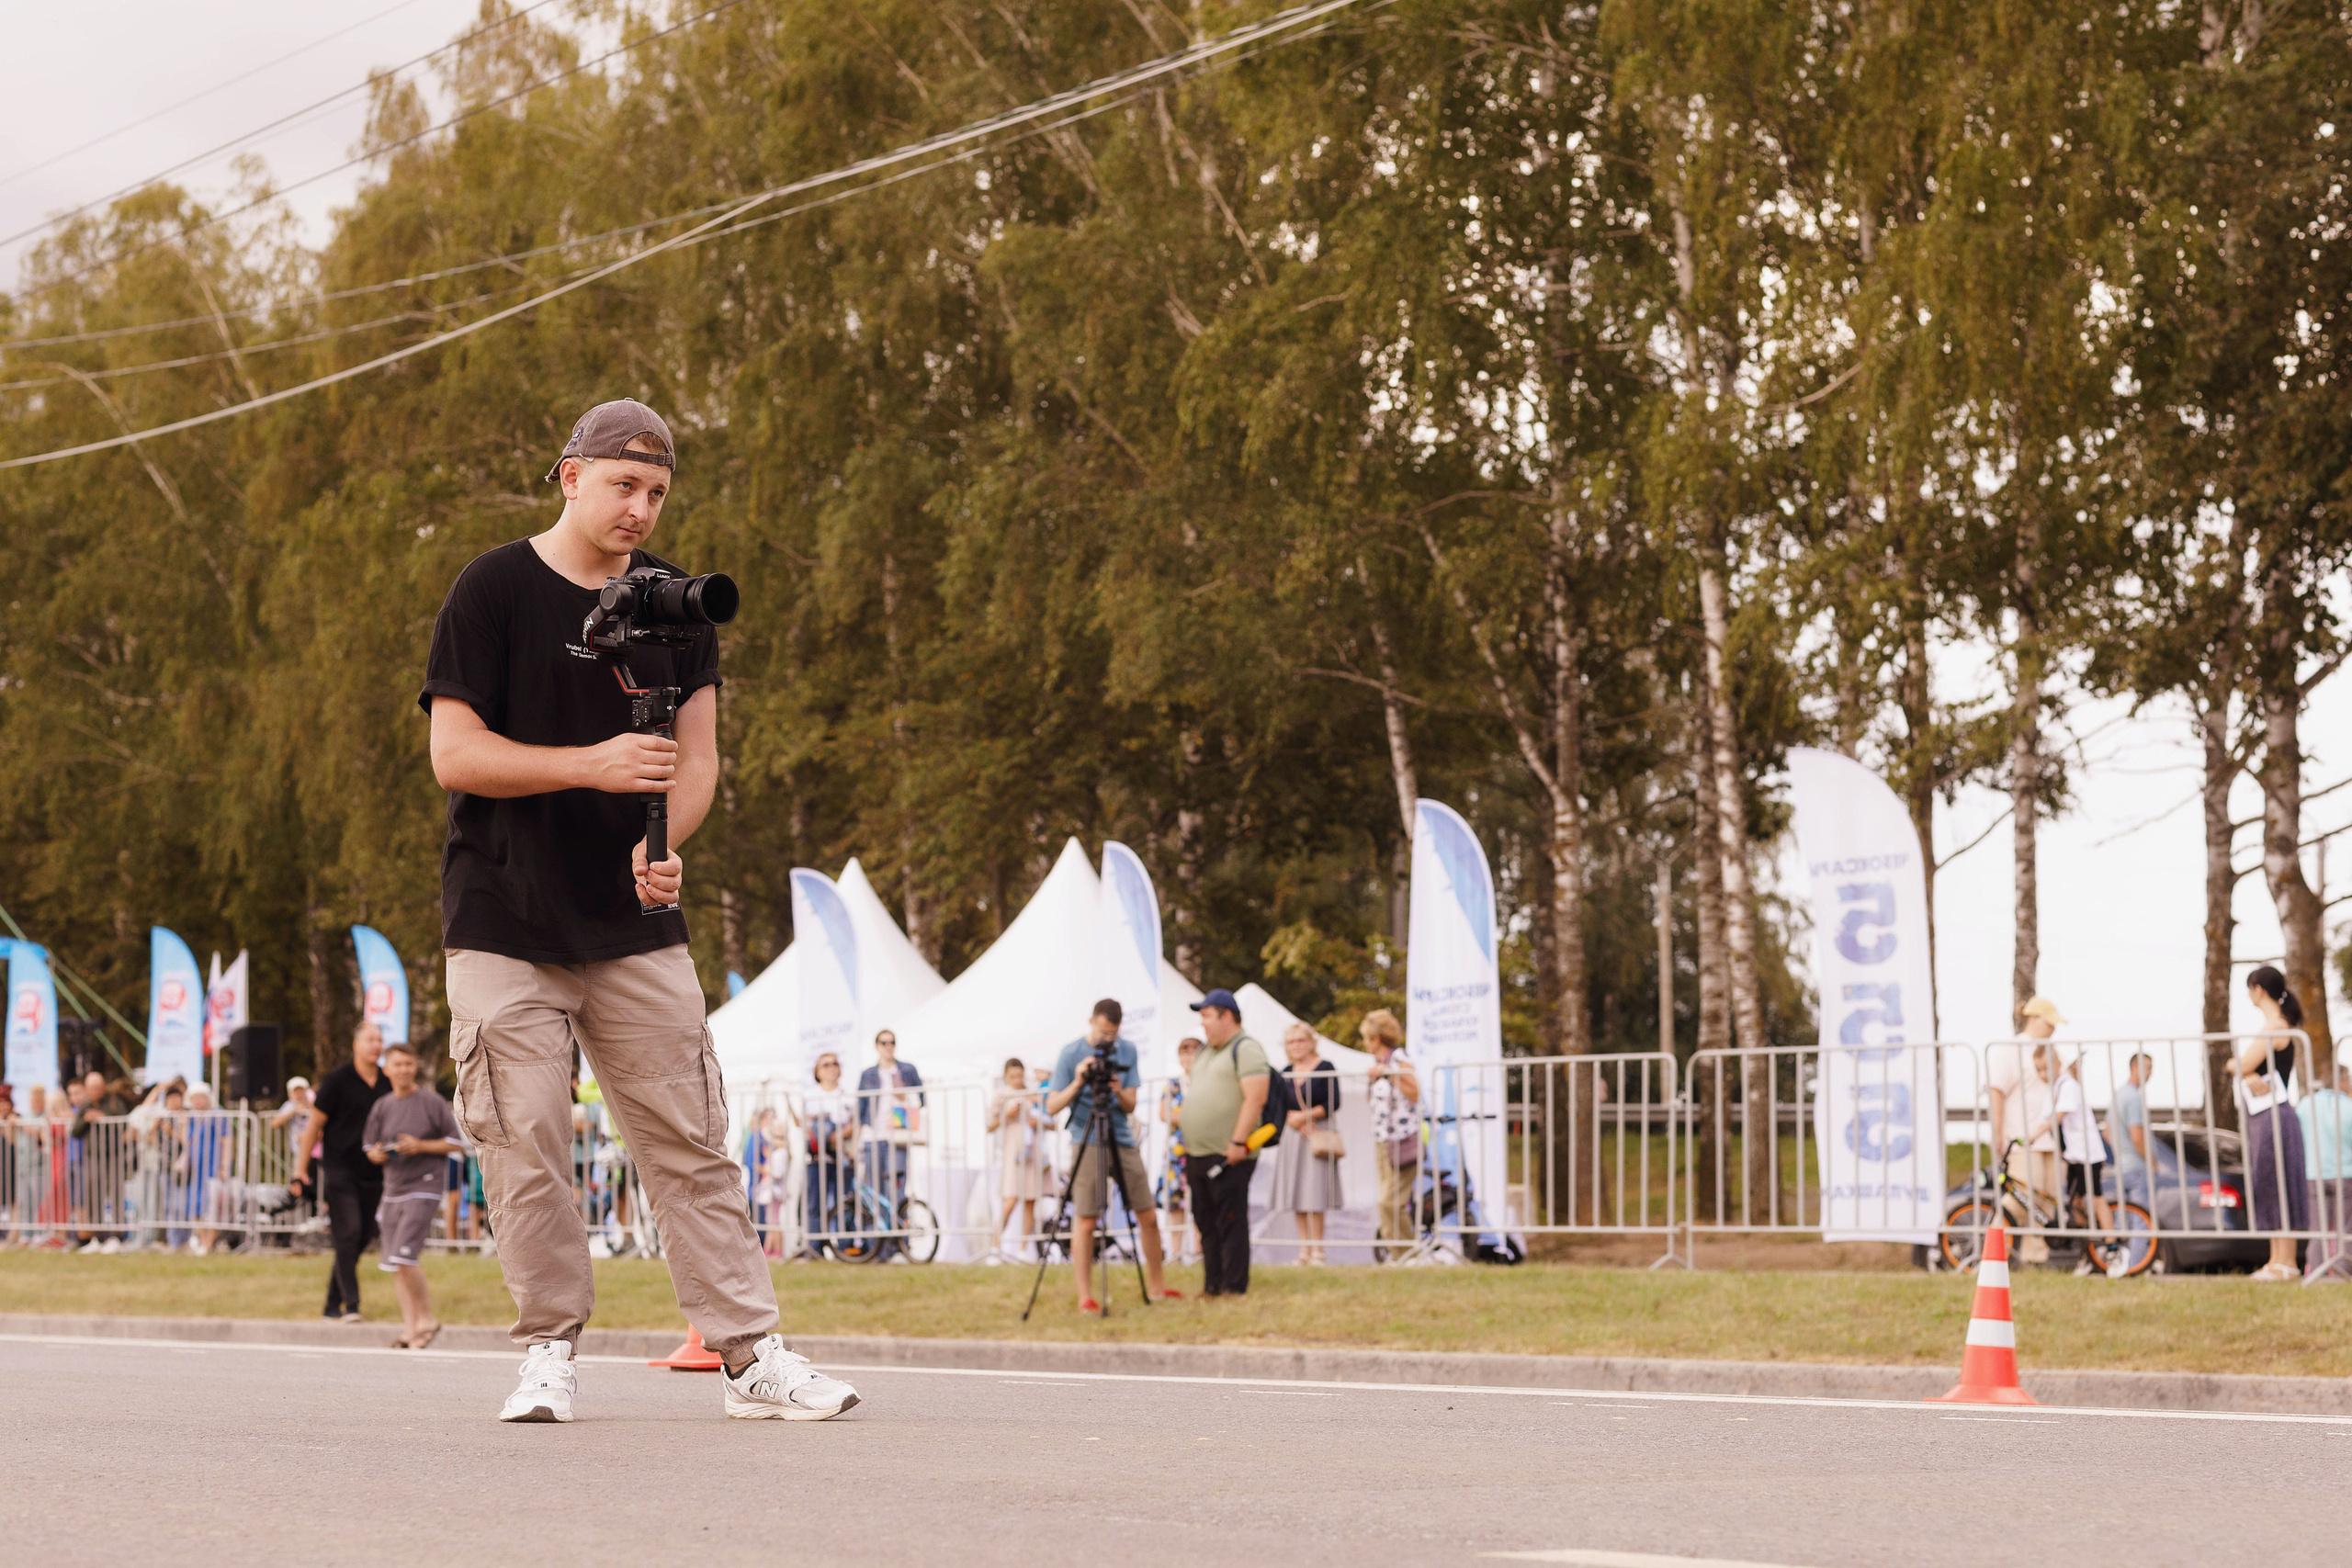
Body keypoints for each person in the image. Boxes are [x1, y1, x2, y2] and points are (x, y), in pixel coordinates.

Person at [422, 399, 854, 1422]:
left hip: (633, 922)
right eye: (624, 484)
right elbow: (455, 755)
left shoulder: (676, 605)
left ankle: (748, 1356)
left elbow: (697, 763)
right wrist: (593, 765)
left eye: (657, 492)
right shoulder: (492, 587)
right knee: (526, 1138)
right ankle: (548, 1351)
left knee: (689, 1139)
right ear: (569, 475)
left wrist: (664, 846)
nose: (641, 508)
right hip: (503, 916)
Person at [1046, 999, 1174, 1313]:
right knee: (1087, 1219)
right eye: (1103, 1032)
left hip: (1121, 1136)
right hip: (1086, 1137)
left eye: (1112, 1034)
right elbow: (1051, 1106)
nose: (1107, 1039)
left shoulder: (1127, 1050)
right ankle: (1085, 1297)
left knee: (1148, 1214)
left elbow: (1130, 1104)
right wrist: (1079, 1080)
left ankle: (1157, 1287)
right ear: (1091, 1022)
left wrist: (1117, 1089)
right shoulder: (1070, 1053)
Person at [362, 1042, 465, 1348]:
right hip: (393, 1189)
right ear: (386, 1069)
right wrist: (378, 1154)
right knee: (395, 1263)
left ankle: (427, 1318)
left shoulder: (431, 1102)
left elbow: (456, 1142)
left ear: (415, 1066)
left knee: (405, 1255)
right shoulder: (382, 1105)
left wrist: (419, 1146)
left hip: (425, 1186)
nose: (404, 1070)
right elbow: (369, 1147)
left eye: (408, 1064)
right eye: (398, 1064)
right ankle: (412, 1330)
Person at [292, 1023, 390, 1320]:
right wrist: (300, 1169)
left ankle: (331, 1305)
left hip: (374, 1170)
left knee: (363, 1236)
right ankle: (352, 1304)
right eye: (369, 1040)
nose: (375, 1045)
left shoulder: (387, 1081)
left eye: (379, 1040)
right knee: (348, 1232)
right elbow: (314, 1125)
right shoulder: (337, 1080)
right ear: (356, 1044)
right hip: (339, 1167)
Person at [1177, 988, 1270, 1298]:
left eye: (1207, 1016)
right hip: (1197, 1152)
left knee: (1229, 1219)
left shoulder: (1246, 1049)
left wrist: (1238, 1142)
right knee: (1205, 1220)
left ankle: (1233, 1285)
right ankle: (1212, 1284)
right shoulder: (1205, 1052)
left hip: (1230, 1153)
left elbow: (1256, 1099)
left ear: (1226, 1016)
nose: (1202, 1023)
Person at [2238, 964, 2310, 1282]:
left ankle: (2286, 1262)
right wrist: (2247, 1073)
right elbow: (2244, 1066)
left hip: (2274, 1116)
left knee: (2278, 1183)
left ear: (2259, 989)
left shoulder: (2275, 1026)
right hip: (2265, 1115)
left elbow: (2241, 1063)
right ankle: (2276, 1260)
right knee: (2269, 1183)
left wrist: (2244, 1070)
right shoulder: (2276, 1025)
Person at [1985, 998, 2064, 1264]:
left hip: (2049, 1140)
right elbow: (1996, 1090)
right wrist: (1997, 1132)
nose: (2053, 1028)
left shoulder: (2051, 1050)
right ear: (2033, 1019)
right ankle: (1992, 1251)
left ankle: (2035, 1258)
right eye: (2049, 1022)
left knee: (2046, 1203)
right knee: (2021, 1200)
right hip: (2021, 1139)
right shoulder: (2012, 1049)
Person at [2032, 1052, 2114, 1276]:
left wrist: (2033, 1136)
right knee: (2076, 1203)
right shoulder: (2055, 1089)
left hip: (2088, 1155)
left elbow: (2057, 1117)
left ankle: (2112, 1248)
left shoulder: (2068, 1086)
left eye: (2046, 1068)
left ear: (2057, 1064)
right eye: (2039, 1070)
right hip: (2074, 1156)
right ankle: (2086, 1254)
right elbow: (2046, 1118)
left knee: (2096, 1199)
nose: (2043, 1074)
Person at [1270, 1022, 1341, 1264]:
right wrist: (1295, 1121)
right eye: (1291, 1042)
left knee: (1316, 1191)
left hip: (1318, 1133)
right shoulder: (1286, 1071)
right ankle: (1304, 1249)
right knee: (1297, 1192)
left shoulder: (1325, 1067)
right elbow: (1280, 1105)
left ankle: (1318, 1248)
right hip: (1294, 1135)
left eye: (1301, 1040)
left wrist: (1307, 1116)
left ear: (1311, 1042)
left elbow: (1334, 1101)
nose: (1296, 1046)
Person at [856, 1030, 923, 1247]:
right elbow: (861, 1109)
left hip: (898, 1136)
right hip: (873, 1137)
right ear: (877, 1046)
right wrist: (856, 1142)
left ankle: (899, 1243)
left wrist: (907, 1095)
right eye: (884, 1042)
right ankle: (876, 1245)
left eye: (892, 1042)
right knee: (874, 1192)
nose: (888, 1046)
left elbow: (922, 1098)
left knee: (896, 1189)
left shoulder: (907, 1070)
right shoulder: (868, 1074)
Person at [1362, 1009, 1419, 1259]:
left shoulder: (1398, 1058)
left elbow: (1415, 1092)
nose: (1365, 1043)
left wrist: (1389, 1073)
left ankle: (1408, 1254)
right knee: (1385, 1202)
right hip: (1382, 1141)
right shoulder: (1376, 1064)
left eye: (1366, 1038)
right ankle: (1397, 1255)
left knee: (1390, 1202)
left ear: (1376, 1038)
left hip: (1403, 1140)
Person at [795, 1053, 856, 1256]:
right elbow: (802, 1123)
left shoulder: (847, 1095)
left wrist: (838, 1136)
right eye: (826, 1064)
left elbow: (855, 1123)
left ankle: (845, 1247)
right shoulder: (809, 1095)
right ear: (817, 1071)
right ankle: (815, 1248)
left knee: (843, 1202)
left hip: (842, 1157)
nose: (831, 1068)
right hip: (816, 1158)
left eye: (834, 1064)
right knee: (815, 1203)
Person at [987, 1056, 1046, 1257]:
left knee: (1030, 1201)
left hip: (1032, 1151)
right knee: (1010, 1200)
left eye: (1020, 1075)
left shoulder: (1033, 1094)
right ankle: (995, 1246)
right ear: (1005, 1076)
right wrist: (1008, 1114)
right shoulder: (1001, 1096)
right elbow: (989, 1126)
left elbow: (1049, 1119)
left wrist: (1037, 1121)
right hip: (1013, 1153)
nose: (1017, 1080)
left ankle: (1023, 1250)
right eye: (1013, 1076)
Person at [2300, 1063, 2352, 1281]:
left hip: (2315, 1173)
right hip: (2345, 1173)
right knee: (2345, 1228)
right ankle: (2342, 1272)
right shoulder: (2348, 1106)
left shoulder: (2306, 1105)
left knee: (2318, 1228)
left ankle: (2316, 1270)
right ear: (2342, 1081)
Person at [1157, 1038, 1200, 1264]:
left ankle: (1199, 1251)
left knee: (1201, 1201)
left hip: (1200, 1146)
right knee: (1175, 1202)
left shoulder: (1206, 1083)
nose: (1187, 1058)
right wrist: (1189, 1117)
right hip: (1177, 1151)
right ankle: (1175, 1252)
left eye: (1192, 1053)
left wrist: (1183, 1117)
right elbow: (1164, 1113)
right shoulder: (1173, 1084)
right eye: (1184, 1054)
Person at [2106, 1052, 2154, 1206]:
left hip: (2120, 1168)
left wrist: (2122, 1151)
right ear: (2134, 1067)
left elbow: (2106, 1132)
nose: (2150, 1073)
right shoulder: (2134, 1097)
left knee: (2124, 1215)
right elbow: (2137, 1137)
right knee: (2142, 1216)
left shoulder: (2118, 1095)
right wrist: (2151, 1160)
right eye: (2147, 1068)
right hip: (2137, 1168)